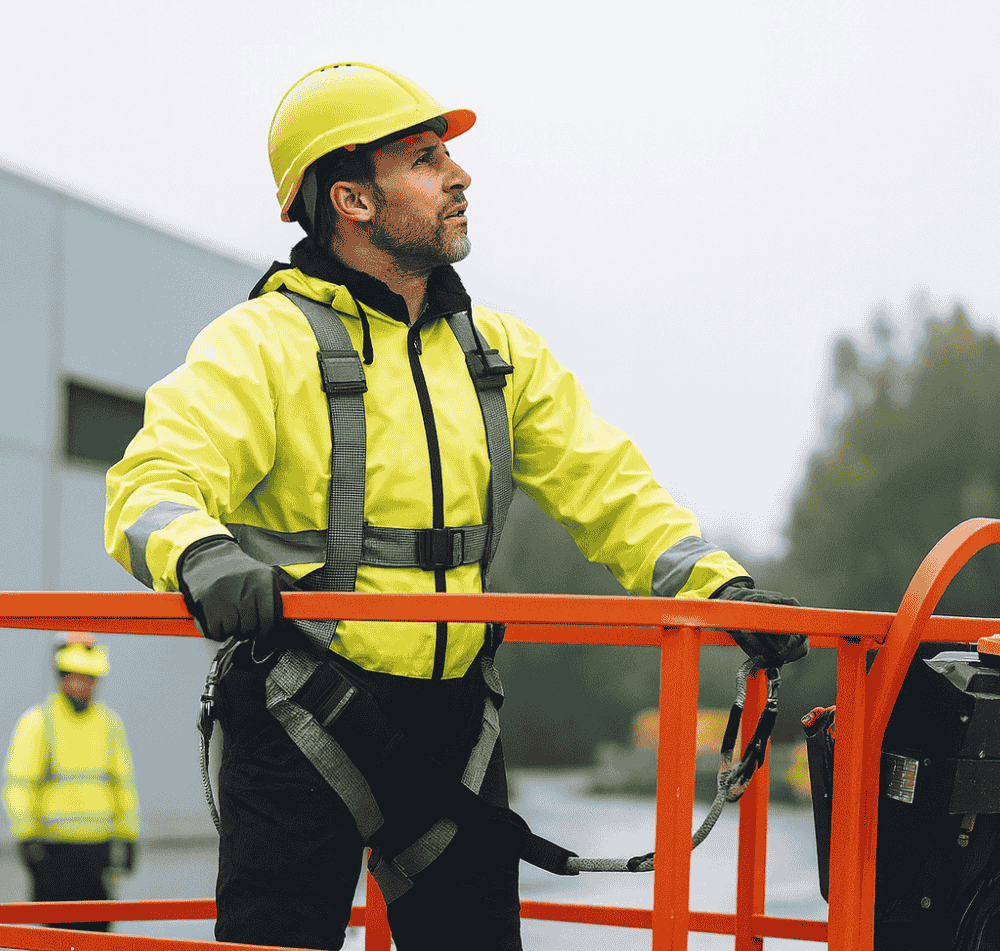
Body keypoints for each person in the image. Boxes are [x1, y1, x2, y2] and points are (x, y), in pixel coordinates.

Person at [104, 61, 805, 951]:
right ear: (354, 200)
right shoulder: (261, 345)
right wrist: (202, 555)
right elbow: (151, 479)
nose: (460, 176)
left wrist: (720, 589)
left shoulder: (497, 353)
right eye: (429, 159)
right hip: (298, 709)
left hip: (455, 723)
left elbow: (609, 487)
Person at [3, 632, 138, 931]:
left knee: (98, 934)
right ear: (62, 679)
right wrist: (27, 838)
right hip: (53, 851)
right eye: (75, 678)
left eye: (88, 678)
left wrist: (127, 836)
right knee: (57, 934)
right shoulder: (39, 722)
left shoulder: (108, 724)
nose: (82, 685)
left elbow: (122, 785)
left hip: (97, 851)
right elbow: (19, 785)